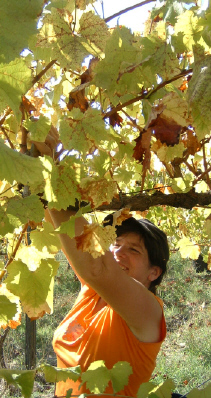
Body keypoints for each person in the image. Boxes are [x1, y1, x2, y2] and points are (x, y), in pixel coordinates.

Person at [46, 208, 169, 398]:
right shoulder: (92, 289)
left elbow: (98, 269)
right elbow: (60, 225)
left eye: (133, 249)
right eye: (115, 243)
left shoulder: (148, 310)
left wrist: (57, 190)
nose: (118, 252)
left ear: (153, 272)